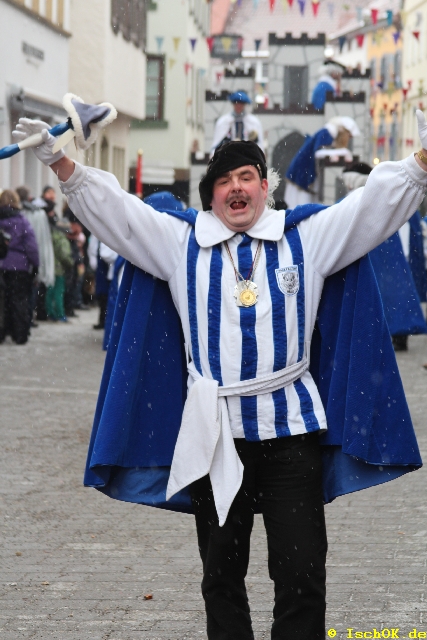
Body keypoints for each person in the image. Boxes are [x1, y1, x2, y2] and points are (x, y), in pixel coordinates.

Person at [13, 112, 427, 640]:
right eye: (224, 180)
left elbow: (372, 208)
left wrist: (422, 161)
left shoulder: (308, 239)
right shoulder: (180, 245)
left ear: (264, 187)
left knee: (302, 573)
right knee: (222, 576)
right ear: (211, 195)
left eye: (246, 177)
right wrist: (60, 162)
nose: (236, 188)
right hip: (216, 438)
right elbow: (119, 214)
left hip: (291, 433)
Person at [342, 162, 427, 351]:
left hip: (387, 251)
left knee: (388, 293)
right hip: (392, 252)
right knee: (393, 293)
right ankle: (396, 333)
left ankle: (393, 334)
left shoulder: (361, 199)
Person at [285, 116, 360, 209]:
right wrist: (343, 152)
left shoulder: (329, 134)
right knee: (301, 203)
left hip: (306, 171)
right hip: (303, 172)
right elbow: (318, 152)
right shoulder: (327, 132)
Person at [0, 189, 39, 344]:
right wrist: (35, 264)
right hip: (19, 266)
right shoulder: (22, 221)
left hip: (1, 264)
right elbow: (31, 246)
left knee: (2, 301)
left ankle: (2, 331)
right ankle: (20, 334)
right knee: (19, 300)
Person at [16, 186, 55, 327]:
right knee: (28, 293)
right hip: (24, 262)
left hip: (11, 263)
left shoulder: (21, 214)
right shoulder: (33, 215)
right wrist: (37, 264)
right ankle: (25, 321)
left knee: (15, 295)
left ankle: (17, 323)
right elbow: (35, 242)